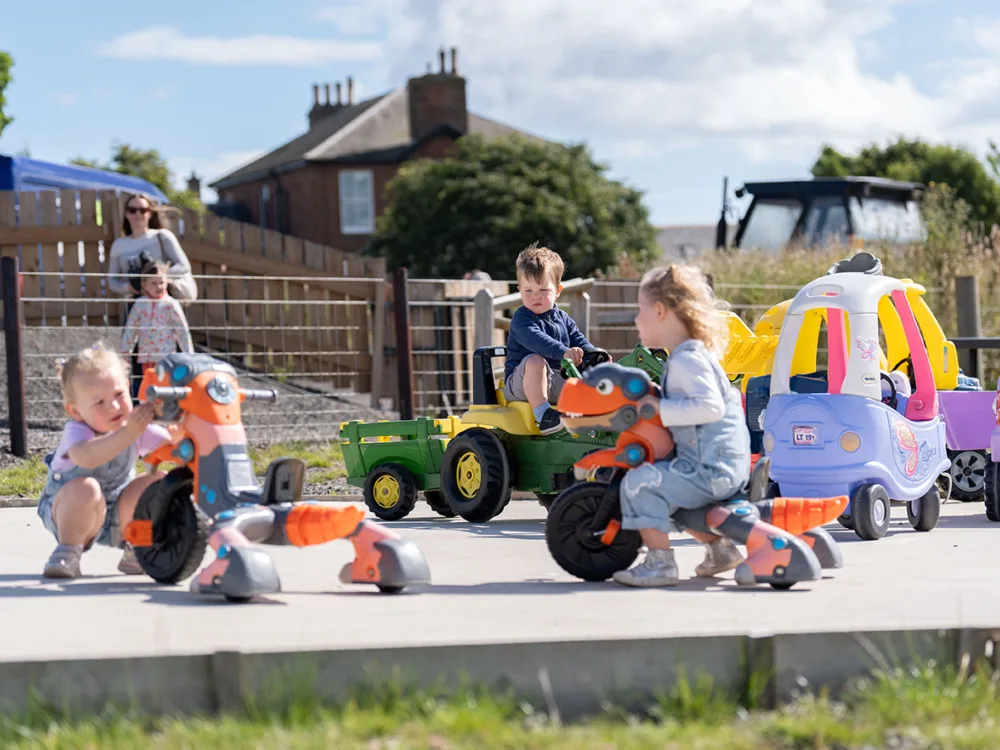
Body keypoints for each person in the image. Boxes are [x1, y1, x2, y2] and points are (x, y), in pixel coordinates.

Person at [612, 264, 751, 587]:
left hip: (710, 468)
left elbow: (709, 407)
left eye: (639, 310)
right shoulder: (688, 355)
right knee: (668, 489)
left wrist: (661, 408)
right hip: (717, 464)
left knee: (639, 483)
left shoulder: (687, 359)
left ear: (659, 311)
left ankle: (660, 565)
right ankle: (721, 551)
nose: (635, 318)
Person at [36, 342, 178, 579]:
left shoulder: (133, 427)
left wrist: (178, 433)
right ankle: (68, 551)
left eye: (119, 394)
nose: (113, 406)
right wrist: (128, 434)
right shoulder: (78, 431)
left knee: (156, 481)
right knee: (87, 488)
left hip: (116, 514)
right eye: (99, 402)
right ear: (77, 412)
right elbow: (87, 457)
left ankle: (137, 547)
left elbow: (172, 447)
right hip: (70, 513)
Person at [503, 243, 597, 435]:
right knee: (535, 361)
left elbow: (578, 339)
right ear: (519, 289)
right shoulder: (522, 318)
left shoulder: (562, 317)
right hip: (522, 384)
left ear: (558, 290)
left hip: (556, 378)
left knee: (587, 381)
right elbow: (537, 340)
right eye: (528, 291)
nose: (535, 297)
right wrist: (564, 352)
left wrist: (594, 354)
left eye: (543, 290)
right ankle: (543, 416)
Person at [120, 260, 194, 397]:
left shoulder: (170, 305)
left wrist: (189, 354)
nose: (158, 286)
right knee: (149, 388)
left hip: (167, 357)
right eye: (153, 283)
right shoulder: (140, 305)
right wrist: (125, 353)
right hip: (147, 357)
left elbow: (182, 331)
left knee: (166, 386)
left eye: (161, 282)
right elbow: (131, 330)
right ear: (145, 285)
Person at [107, 193, 198, 303]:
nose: (137, 214)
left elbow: (184, 266)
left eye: (143, 210)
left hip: (164, 301)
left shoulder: (162, 236)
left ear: (150, 213)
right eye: (132, 210)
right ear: (126, 213)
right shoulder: (119, 245)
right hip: (137, 304)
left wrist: (159, 276)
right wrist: (129, 287)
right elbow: (112, 281)